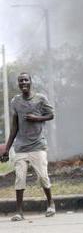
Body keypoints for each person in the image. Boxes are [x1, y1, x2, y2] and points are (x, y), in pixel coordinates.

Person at [0, 72, 55, 221]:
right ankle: (19, 212)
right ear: (18, 84)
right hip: (21, 148)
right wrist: (6, 149)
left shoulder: (40, 98)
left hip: (38, 145)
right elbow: (14, 127)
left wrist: (37, 118)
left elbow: (51, 115)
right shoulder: (15, 102)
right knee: (19, 178)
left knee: (43, 177)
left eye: (26, 80)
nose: (23, 82)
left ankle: (51, 204)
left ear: (31, 82)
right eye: (21, 81)